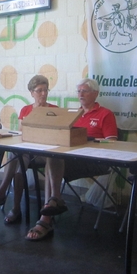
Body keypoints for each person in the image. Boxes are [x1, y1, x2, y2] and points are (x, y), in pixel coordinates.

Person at [25, 78, 117, 241]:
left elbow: (112, 143)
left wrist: (88, 141)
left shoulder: (106, 114)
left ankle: (47, 215)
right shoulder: (73, 114)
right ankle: (52, 204)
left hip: (93, 161)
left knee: (53, 159)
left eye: (85, 91)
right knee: (51, 156)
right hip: (70, 159)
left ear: (95, 94)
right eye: (79, 91)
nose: (81, 94)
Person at [0, 75, 57, 224]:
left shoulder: (54, 110)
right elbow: (22, 133)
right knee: (17, 157)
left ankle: (3, 196)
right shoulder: (26, 109)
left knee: (18, 158)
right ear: (32, 93)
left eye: (45, 90)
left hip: (46, 153)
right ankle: (14, 206)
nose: (43, 93)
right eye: (39, 90)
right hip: (28, 150)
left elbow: (56, 134)